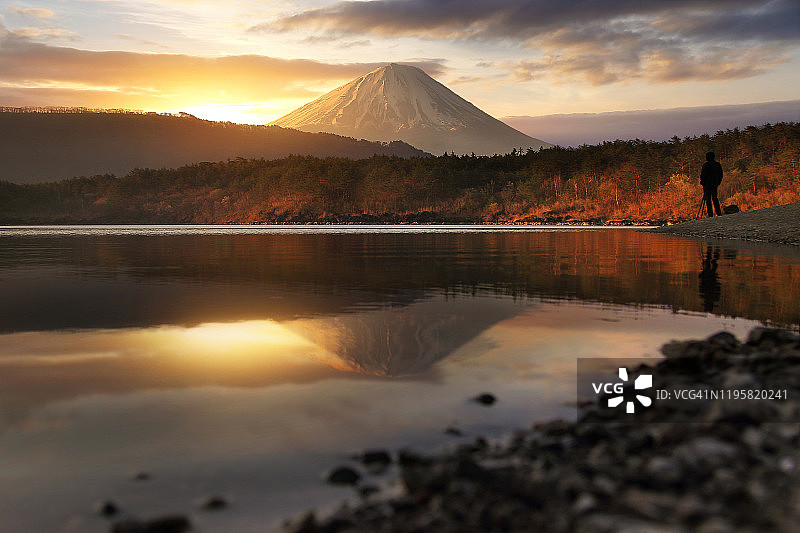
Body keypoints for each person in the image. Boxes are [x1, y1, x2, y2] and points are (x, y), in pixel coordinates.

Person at [700, 151, 723, 217]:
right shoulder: (717, 165)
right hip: (714, 184)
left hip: (707, 185)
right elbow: (721, 175)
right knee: (715, 198)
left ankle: (710, 214)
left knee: (708, 200)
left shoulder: (706, 165)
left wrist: (702, 182)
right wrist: (718, 182)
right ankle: (718, 213)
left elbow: (703, 175)